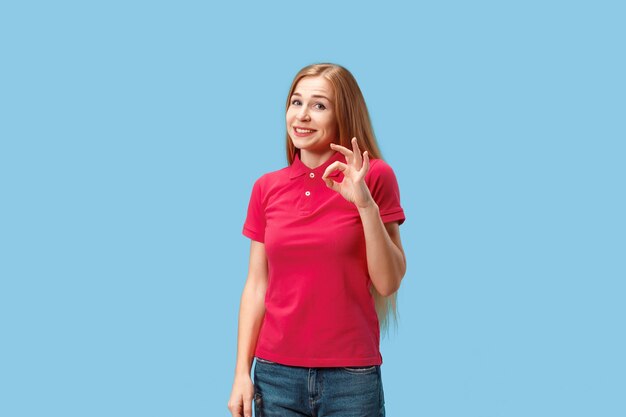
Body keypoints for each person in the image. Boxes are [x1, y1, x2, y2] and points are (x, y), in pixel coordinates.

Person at [227, 63, 407, 417]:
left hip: (352, 378)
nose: (302, 116)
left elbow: (387, 283)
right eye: (296, 102)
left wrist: (364, 204)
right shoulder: (266, 188)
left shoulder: (375, 177)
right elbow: (256, 285)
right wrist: (240, 373)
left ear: (343, 114)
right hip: (274, 376)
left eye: (319, 105)